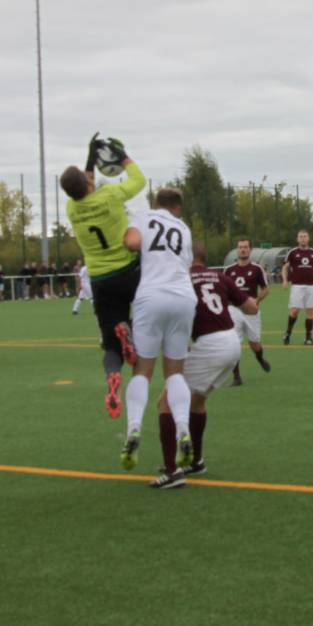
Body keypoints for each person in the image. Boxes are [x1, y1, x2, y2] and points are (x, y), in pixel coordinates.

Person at [149, 241, 259, 488]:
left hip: (211, 345)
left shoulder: (182, 280)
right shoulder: (220, 277)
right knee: (197, 401)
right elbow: (252, 308)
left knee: (165, 402)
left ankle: (171, 471)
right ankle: (196, 461)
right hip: (231, 342)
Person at [62, 135, 146, 417]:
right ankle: (130, 329)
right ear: (89, 183)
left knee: (110, 345)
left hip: (100, 280)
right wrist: (122, 156)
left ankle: (113, 376)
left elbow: (81, 183)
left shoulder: (72, 208)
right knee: (153, 312)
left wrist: (89, 157)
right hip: (130, 271)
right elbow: (139, 180)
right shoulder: (110, 195)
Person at [117, 188, 196, 475]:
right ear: (177, 209)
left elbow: (132, 243)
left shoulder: (144, 215)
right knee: (175, 373)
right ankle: (183, 430)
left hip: (152, 296)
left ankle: (134, 430)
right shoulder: (184, 228)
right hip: (184, 297)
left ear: (155, 204)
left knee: (142, 372)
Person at [225, 237, 271, 385]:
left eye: (245, 247)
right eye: (240, 247)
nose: (242, 249)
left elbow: (265, 290)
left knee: (254, 344)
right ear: (237, 250)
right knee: (234, 345)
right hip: (234, 311)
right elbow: (223, 291)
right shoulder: (229, 270)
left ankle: (260, 358)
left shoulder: (257, 269)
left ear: (250, 250)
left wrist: (256, 301)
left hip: (251, 312)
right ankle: (237, 377)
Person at [282, 229, 313, 345]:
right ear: (297, 239)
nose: (302, 238)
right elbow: (285, 267)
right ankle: (288, 332)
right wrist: (285, 280)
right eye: (300, 237)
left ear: (308, 238)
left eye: (305, 236)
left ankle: (308, 338)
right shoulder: (292, 253)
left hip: (311, 286)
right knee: (295, 310)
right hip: (297, 286)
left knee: (310, 311)